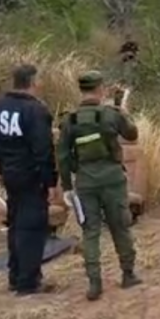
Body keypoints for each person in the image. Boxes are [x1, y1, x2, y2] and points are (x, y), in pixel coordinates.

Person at [57, 70, 142, 301]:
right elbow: (132, 135)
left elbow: (63, 156)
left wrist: (66, 186)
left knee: (90, 231)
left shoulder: (70, 120)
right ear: (100, 88)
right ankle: (128, 274)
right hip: (113, 179)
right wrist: (124, 112)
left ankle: (95, 283)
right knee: (120, 227)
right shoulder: (110, 114)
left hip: (85, 182)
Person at [0, 64, 58, 296]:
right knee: (32, 229)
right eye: (41, 79)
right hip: (31, 176)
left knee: (15, 225)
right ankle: (28, 282)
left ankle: (15, 276)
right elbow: (43, 150)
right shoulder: (35, 111)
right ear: (33, 81)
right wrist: (50, 182)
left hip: (9, 174)